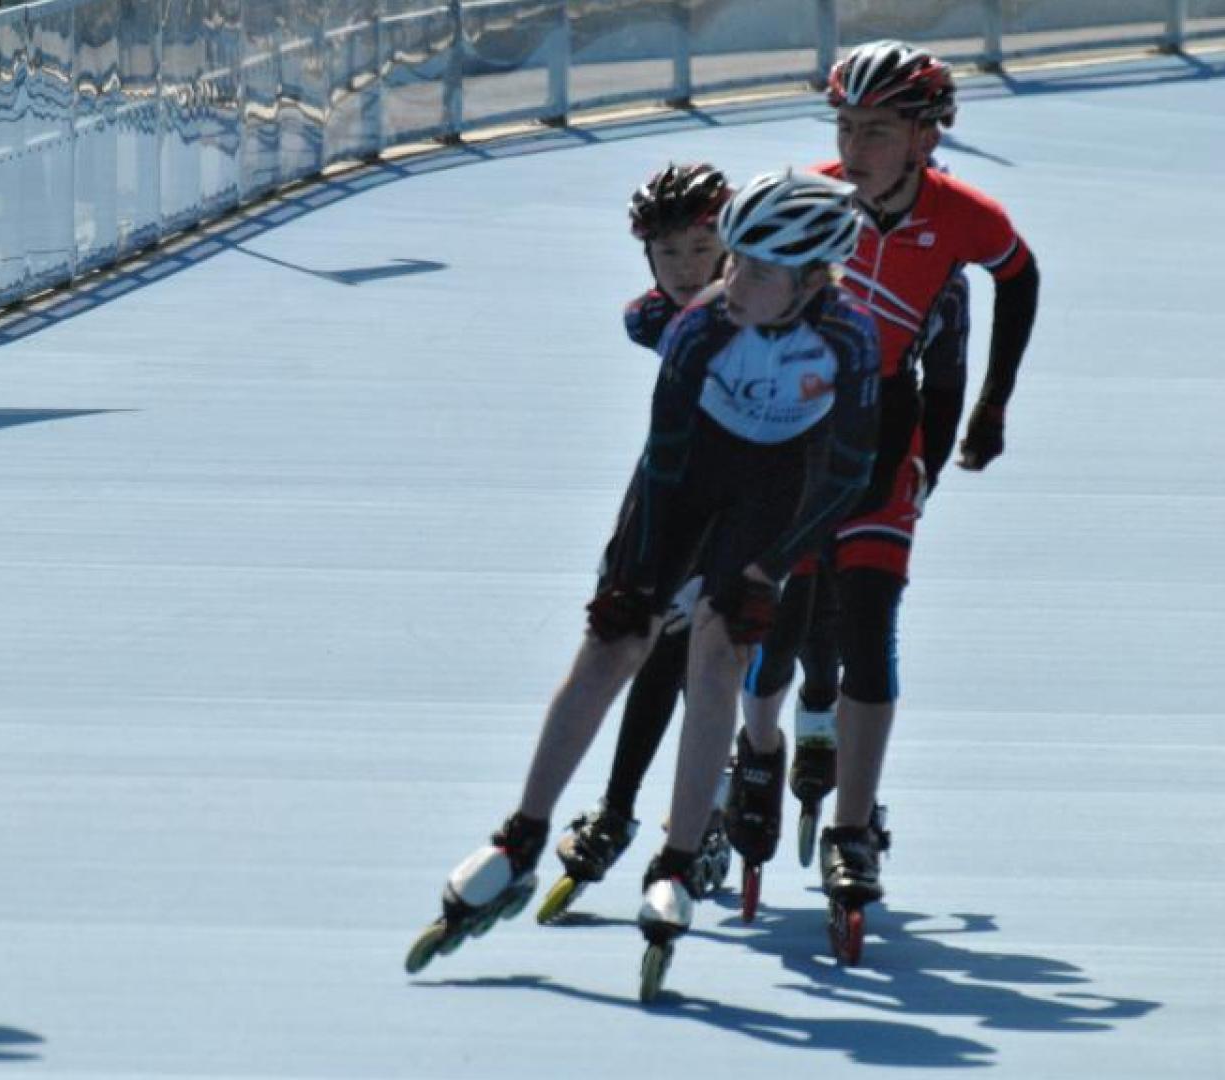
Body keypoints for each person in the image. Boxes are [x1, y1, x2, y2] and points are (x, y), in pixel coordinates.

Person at [406, 169, 879, 981]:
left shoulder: (849, 339)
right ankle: (520, 837)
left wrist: (766, 568)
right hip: (688, 474)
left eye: (756, 269)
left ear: (810, 281)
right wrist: (638, 584)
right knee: (613, 642)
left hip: (777, 488)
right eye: (735, 260)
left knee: (720, 652)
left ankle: (679, 861)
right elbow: (663, 465)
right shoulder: (701, 328)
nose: (731, 281)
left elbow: (847, 476)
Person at [730, 40, 1040, 929]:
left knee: (868, 625)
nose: (854, 146)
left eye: (876, 130)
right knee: (776, 622)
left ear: (925, 136)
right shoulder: (808, 197)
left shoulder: (966, 214)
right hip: (792, 435)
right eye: (845, 127)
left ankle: (853, 829)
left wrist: (993, 406)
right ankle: (759, 750)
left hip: (884, 433)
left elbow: (1021, 279)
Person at [538, 163, 734, 921]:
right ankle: (620, 808)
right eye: (668, 254)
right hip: (671, 482)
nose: (685, 269)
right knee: (643, 638)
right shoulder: (648, 318)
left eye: (701, 249)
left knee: (710, 652)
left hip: (755, 491)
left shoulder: (768, 309)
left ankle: (707, 805)